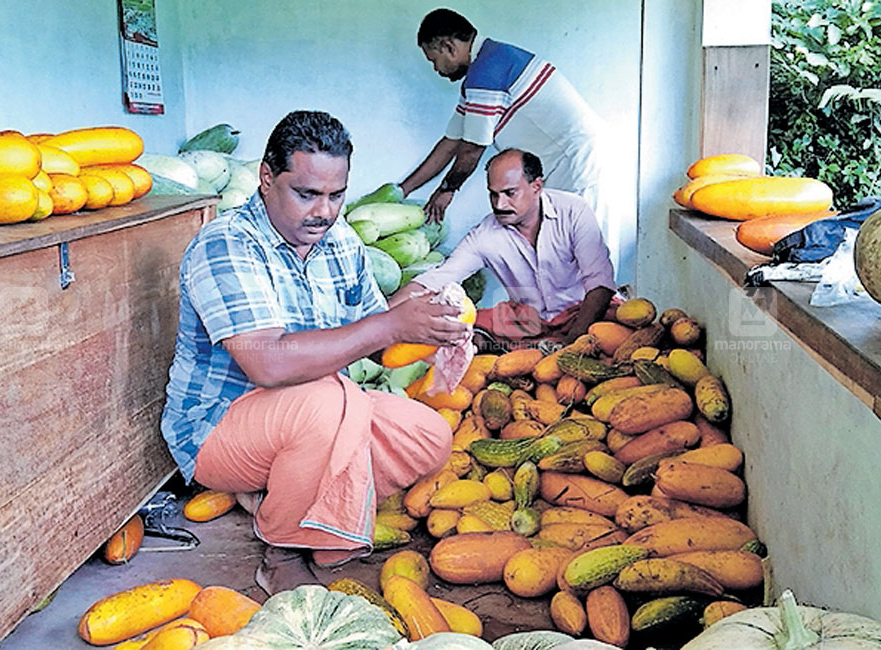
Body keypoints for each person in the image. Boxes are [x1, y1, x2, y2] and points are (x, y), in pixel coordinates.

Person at [159, 110, 466, 595]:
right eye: (306, 194)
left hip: (307, 419)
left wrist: (434, 324)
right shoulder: (226, 243)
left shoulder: (339, 241)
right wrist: (387, 324)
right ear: (266, 178)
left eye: (335, 195)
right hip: (217, 427)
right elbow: (269, 362)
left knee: (425, 434)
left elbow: (375, 332)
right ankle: (283, 551)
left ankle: (280, 494)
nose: (323, 211)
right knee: (322, 397)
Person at [398, 8, 622, 275]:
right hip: (564, 170)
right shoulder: (486, 68)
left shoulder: (487, 73)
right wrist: (402, 190)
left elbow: (472, 150)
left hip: (581, 168)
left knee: (589, 272)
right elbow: (451, 143)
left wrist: (447, 189)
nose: (436, 69)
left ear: (449, 46)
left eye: (434, 59)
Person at [390, 148, 615, 348]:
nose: (499, 205)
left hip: (583, 314)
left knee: (620, 324)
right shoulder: (486, 234)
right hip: (529, 323)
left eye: (509, 193)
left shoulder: (573, 210)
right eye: (493, 194)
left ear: (536, 186)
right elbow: (438, 278)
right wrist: (379, 319)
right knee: (465, 326)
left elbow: (600, 281)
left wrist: (572, 341)